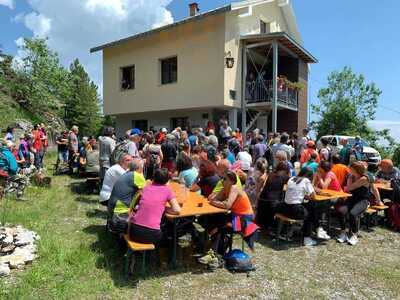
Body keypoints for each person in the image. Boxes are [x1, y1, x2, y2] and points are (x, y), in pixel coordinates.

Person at [208, 170, 258, 253]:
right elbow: (213, 199)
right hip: (235, 215)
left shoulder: (234, 188)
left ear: (232, 181)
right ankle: (217, 247)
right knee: (212, 219)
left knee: (219, 225)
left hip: (245, 219)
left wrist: (215, 202)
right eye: (222, 179)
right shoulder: (225, 188)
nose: (222, 181)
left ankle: (214, 251)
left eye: (225, 179)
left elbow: (227, 205)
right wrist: (216, 200)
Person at [129, 168, 181, 245]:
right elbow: (177, 210)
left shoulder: (145, 188)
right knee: (170, 234)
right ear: (167, 180)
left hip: (133, 232)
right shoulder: (167, 190)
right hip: (151, 235)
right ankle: (164, 255)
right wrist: (164, 208)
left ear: (153, 177)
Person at [278, 167, 318, 246]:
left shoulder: (292, 178)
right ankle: (307, 237)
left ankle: (293, 231)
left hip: (284, 209)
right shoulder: (306, 181)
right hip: (295, 211)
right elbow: (313, 196)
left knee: (307, 208)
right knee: (310, 212)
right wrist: (306, 197)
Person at [337, 162, 370, 245]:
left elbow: (348, 188)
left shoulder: (364, 179)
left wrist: (349, 179)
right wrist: (350, 177)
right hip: (352, 200)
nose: (349, 170)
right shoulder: (352, 176)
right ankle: (343, 233)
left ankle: (354, 235)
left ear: (356, 170)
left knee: (353, 213)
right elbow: (348, 190)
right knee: (340, 210)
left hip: (363, 201)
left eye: (350, 168)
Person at [257, 162, 290, 230]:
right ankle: (279, 228)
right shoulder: (285, 177)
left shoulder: (271, 174)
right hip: (272, 203)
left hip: (262, 200)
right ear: (285, 170)